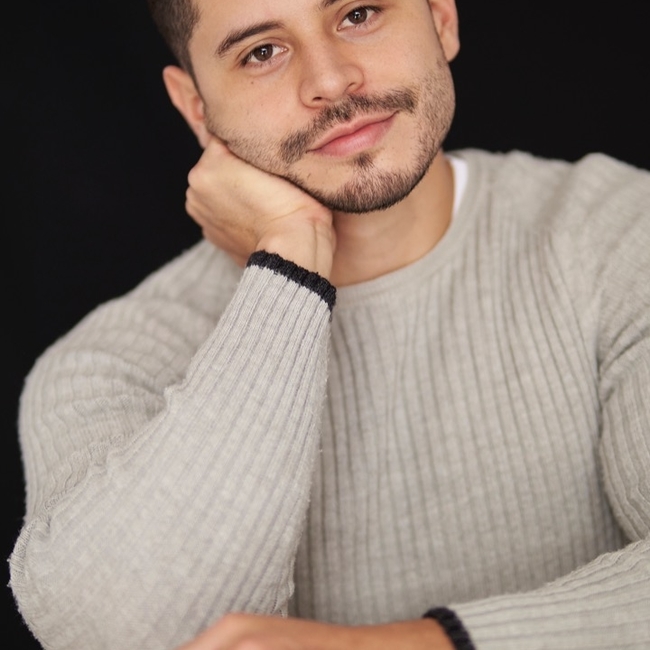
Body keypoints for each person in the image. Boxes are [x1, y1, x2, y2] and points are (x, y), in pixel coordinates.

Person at [9, 0, 650, 648]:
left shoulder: (621, 234)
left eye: (359, 13)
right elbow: (122, 632)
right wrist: (290, 259)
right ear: (196, 106)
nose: (331, 80)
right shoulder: (111, 363)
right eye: (261, 52)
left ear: (441, 18)